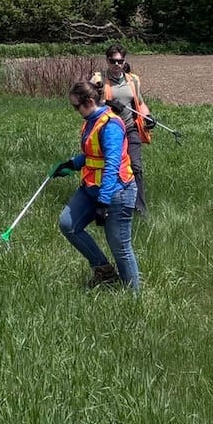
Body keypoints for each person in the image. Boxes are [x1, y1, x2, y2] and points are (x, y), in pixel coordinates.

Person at [52, 80, 140, 292]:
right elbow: (93, 153)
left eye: (76, 106)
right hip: (91, 187)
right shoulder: (91, 120)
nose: (75, 110)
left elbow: (111, 165)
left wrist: (103, 202)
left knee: (120, 247)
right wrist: (72, 164)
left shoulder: (110, 126)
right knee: (67, 224)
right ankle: (104, 271)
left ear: (89, 101)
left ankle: (133, 297)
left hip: (117, 192)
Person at [90, 44, 151, 215]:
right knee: (111, 167)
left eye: (120, 61)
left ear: (124, 61)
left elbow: (140, 103)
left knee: (136, 167)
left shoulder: (133, 80)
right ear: (107, 61)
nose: (116, 64)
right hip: (108, 129)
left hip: (130, 128)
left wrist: (148, 117)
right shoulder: (98, 80)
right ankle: (105, 204)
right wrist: (107, 103)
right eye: (113, 61)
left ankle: (139, 208)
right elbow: (89, 103)